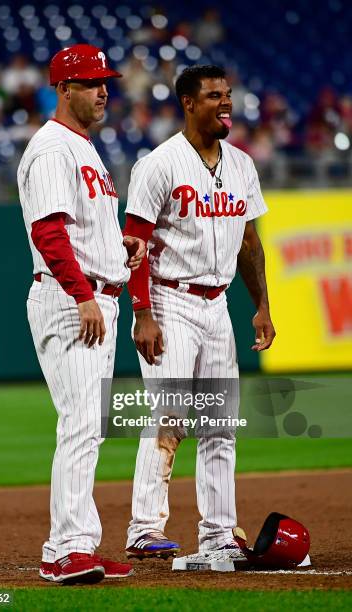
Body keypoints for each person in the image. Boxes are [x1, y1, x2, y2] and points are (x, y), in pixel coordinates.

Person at [122, 65, 276, 563]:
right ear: (188, 103)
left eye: (228, 95)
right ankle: (145, 528)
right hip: (168, 300)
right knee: (169, 415)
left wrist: (262, 307)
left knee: (220, 424)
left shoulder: (242, 165)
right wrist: (143, 313)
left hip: (217, 305)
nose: (225, 103)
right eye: (214, 96)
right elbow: (135, 245)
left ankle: (218, 531)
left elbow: (250, 243)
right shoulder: (158, 165)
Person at [17, 44, 145, 585]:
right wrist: (83, 294)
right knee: (81, 423)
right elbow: (47, 231)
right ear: (62, 89)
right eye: (90, 82)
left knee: (90, 426)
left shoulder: (84, 149)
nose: (102, 90)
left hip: (95, 296)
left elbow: (79, 230)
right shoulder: (51, 148)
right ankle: (64, 550)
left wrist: (120, 250)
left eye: (104, 81)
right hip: (72, 301)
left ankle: (80, 543)